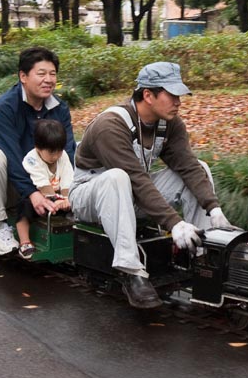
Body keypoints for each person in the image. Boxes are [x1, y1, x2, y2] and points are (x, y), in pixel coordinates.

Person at [68, 61, 232, 309]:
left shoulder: (170, 124)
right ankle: (131, 271)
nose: (179, 102)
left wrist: (214, 208)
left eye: (180, 95)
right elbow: (134, 177)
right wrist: (174, 223)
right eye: (172, 95)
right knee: (117, 178)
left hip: (131, 194)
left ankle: (203, 257)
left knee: (200, 167)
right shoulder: (110, 126)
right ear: (148, 95)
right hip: (90, 196)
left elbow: (187, 165)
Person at [0, 47, 75, 256]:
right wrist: (32, 193)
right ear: (23, 76)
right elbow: (11, 157)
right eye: (41, 74)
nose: (48, 80)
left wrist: (68, 191)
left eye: (52, 73)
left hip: (44, 181)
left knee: (79, 147)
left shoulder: (59, 108)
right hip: (4, 185)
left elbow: (68, 151)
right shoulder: (4, 108)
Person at [15, 119, 74, 259]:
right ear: (38, 147)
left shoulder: (63, 155)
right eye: (51, 152)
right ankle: (24, 242)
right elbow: (41, 182)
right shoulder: (32, 159)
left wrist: (66, 198)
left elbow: (68, 176)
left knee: (78, 199)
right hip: (40, 198)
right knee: (24, 206)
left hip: (58, 199)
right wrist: (54, 199)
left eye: (59, 151)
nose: (56, 156)